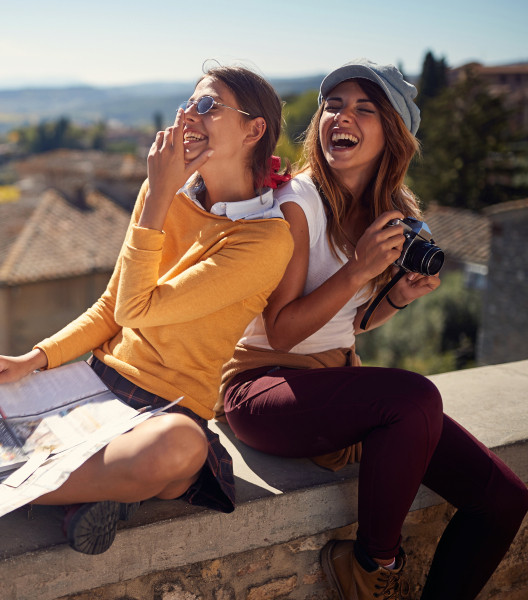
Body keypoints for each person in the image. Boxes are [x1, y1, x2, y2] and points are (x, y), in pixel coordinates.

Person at [0, 64, 293, 554]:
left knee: (179, 450)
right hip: (92, 386)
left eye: (208, 105)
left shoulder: (266, 239)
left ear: (254, 129)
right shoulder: (159, 196)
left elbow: (136, 308)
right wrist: (33, 360)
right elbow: (110, 309)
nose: (189, 115)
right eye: (188, 103)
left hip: (164, 411)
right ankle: (87, 493)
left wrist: (160, 195)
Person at [220, 58, 528, 599]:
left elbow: (348, 322)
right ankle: (372, 566)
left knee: (503, 499)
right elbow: (285, 331)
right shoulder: (296, 205)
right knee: (415, 396)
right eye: (334, 105)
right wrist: (359, 269)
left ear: (394, 133)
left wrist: (397, 298)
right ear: (319, 123)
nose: (344, 116)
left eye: (366, 108)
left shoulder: (387, 211)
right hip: (261, 387)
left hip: (332, 388)